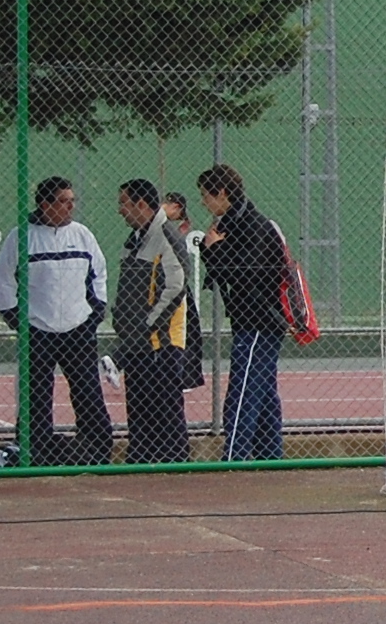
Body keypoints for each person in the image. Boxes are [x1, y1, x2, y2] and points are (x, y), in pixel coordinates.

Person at [0, 176, 111, 466]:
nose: (71, 206)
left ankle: (97, 454)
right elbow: (5, 282)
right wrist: (20, 322)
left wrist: (94, 314)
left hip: (78, 331)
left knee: (88, 393)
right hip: (37, 331)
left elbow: (99, 274)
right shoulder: (20, 237)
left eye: (72, 201)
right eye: (64, 201)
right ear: (45, 204)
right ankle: (34, 455)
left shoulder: (83, 235)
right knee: (35, 397)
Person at [194, 164, 285, 461]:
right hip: (250, 320)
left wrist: (215, 250)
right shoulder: (233, 224)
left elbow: (245, 273)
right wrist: (210, 248)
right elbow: (224, 269)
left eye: (206, 195)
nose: (204, 202)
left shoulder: (253, 225)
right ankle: (270, 456)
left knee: (243, 391)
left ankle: (235, 456)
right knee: (264, 393)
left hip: (260, 322)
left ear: (222, 193)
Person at [112, 180, 191, 463]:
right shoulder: (134, 239)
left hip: (161, 344)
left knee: (165, 413)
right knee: (139, 411)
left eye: (124, 203)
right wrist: (124, 324)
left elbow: (175, 287)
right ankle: (140, 462)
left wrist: (146, 326)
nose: (120, 210)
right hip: (137, 343)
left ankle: (175, 465)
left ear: (141, 205)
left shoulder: (166, 236)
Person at [162, 193, 209, 391]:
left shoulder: (158, 226)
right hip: (172, 281)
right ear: (175, 207)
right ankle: (185, 376)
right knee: (188, 328)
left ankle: (183, 375)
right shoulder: (160, 225)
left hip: (169, 280)